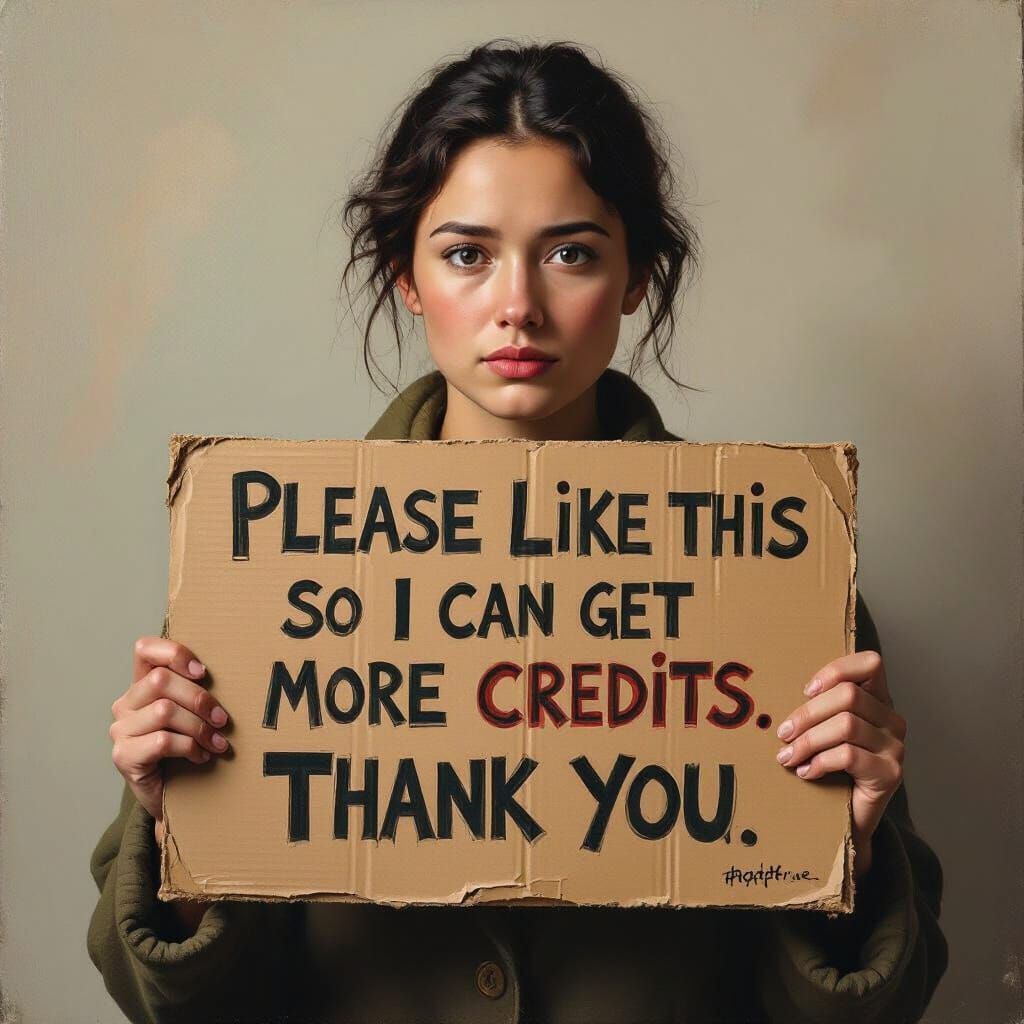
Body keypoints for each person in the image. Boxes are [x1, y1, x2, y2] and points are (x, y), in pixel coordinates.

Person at [88, 38, 948, 1024]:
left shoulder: (777, 576)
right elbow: (172, 1006)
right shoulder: (267, 574)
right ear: (408, 277)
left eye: (571, 252)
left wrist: (848, 844)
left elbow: (870, 1011)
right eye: (466, 253)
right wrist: (180, 832)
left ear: (634, 277)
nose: (518, 307)